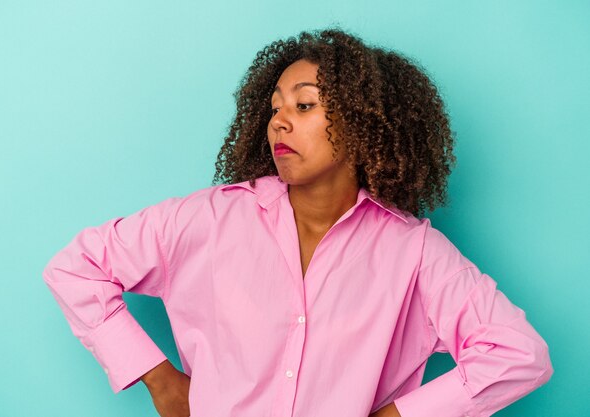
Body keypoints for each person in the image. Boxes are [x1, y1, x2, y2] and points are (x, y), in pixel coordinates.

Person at [42, 27, 553, 417]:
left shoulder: (414, 252)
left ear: (361, 122)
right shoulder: (210, 219)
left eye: (304, 105)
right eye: (274, 108)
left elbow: (518, 353)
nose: (279, 121)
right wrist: (158, 378)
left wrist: (399, 415)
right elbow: (76, 267)